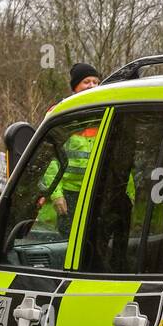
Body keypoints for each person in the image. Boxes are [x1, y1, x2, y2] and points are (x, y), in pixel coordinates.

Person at [36, 63, 101, 235]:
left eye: (96, 81)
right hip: (69, 194)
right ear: (75, 87)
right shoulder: (62, 114)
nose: (92, 86)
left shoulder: (103, 113)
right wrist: (56, 194)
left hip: (96, 192)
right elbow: (49, 158)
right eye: (86, 82)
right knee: (68, 243)